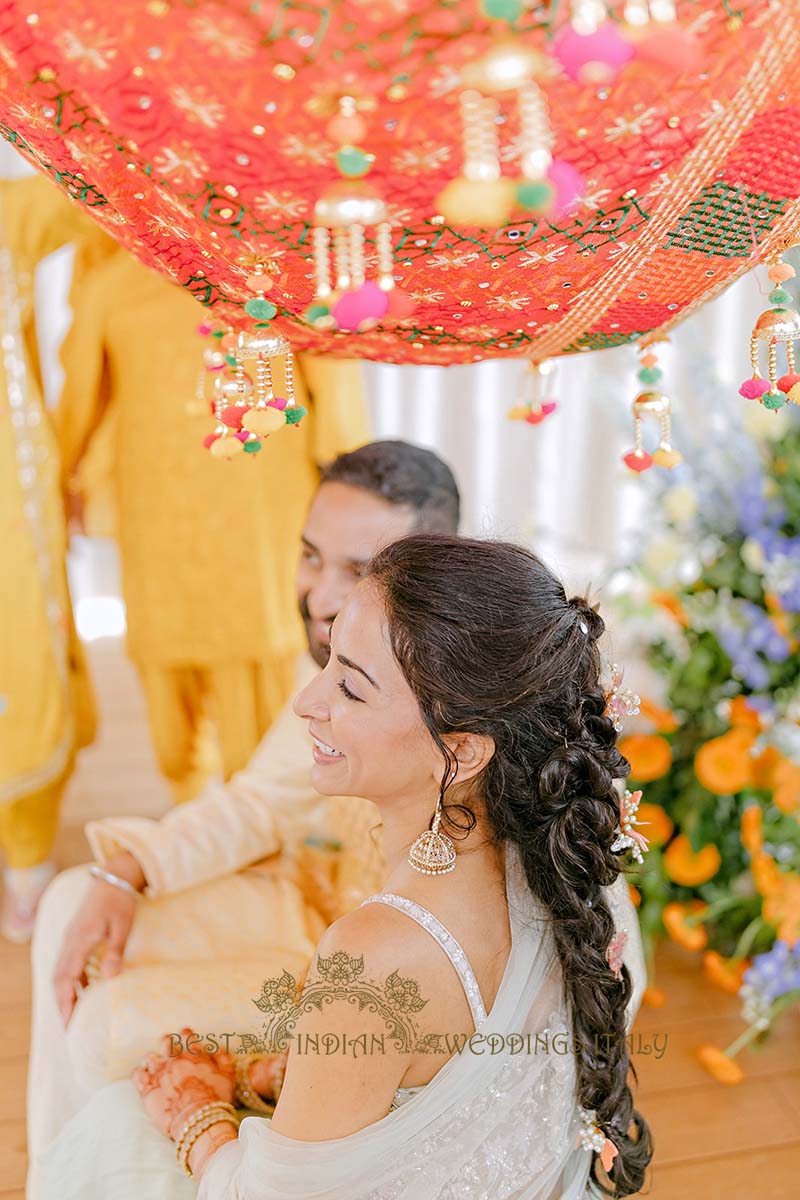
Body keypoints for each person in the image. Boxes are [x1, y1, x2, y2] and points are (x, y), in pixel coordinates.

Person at [38, 534, 651, 1199]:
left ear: (463, 752)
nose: (306, 701)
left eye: (351, 689)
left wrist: (197, 1116)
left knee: (117, 1124)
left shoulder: (372, 958)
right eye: (329, 659)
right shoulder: (562, 857)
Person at [27, 440, 461, 1195]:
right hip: (305, 905)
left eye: (358, 571)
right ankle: (57, 1173)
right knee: (76, 900)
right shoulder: (343, 652)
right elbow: (260, 801)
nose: (320, 595)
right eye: (310, 556)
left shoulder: (464, 707)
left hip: (364, 989)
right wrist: (128, 868)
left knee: (104, 1025)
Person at [55, 243, 371, 801]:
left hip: (259, 505)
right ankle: (191, 806)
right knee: (164, 660)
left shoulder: (272, 273)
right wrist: (61, 482)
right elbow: (79, 403)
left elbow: (334, 383)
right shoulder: (114, 284)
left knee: (259, 654)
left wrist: (351, 479)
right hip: (157, 510)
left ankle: (264, 810)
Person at [0, 173, 102, 942]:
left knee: (19, 657)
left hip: (7, 485)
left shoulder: (12, 212)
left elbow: (103, 182)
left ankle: (26, 854)